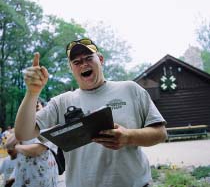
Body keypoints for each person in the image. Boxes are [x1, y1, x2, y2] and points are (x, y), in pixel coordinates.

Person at [15, 38, 167, 187]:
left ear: (100, 59)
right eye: (77, 62)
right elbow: (23, 133)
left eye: (88, 58)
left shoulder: (130, 89)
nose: (83, 64)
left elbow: (160, 133)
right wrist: (32, 92)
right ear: (71, 68)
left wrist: (128, 137)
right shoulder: (61, 102)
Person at [6, 99, 58, 187]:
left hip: (41, 177)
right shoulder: (24, 126)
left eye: (37, 106)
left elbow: (36, 150)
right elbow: (8, 145)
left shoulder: (49, 126)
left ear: (43, 108)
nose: (34, 110)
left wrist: (17, 147)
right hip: (23, 175)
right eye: (31, 108)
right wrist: (23, 126)